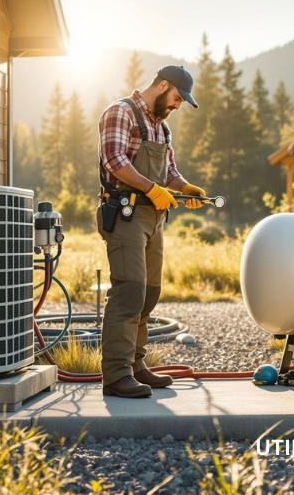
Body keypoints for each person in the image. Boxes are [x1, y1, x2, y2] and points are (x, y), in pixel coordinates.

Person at [96, 65, 206, 398]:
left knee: (148, 294)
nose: (177, 106)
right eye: (176, 98)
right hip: (126, 214)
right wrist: (152, 188)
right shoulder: (121, 112)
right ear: (162, 85)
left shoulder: (161, 128)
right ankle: (116, 374)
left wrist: (184, 187)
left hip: (155, 218)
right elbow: (114, 160)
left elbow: (169, 170)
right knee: (129, 291)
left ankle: (135, 364)